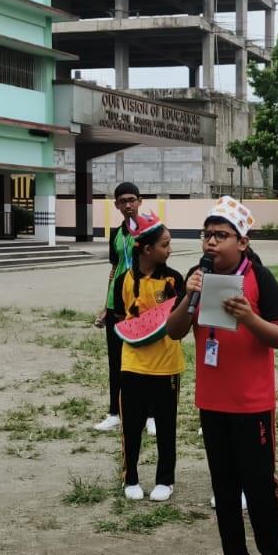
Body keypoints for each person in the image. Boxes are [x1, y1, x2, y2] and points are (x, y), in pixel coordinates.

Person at [164, 196, 278, 555]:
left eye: (221, 235)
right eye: (207, 235)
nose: (211, 243)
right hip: (212, 401)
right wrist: (188, 296)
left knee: (258, 486)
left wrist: (247, 316)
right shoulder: (195, 277)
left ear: (243, 243)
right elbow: (174, 331)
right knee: (224, 486)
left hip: (252, 404)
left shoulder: (261, 279)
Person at [112, 214, 184, 503]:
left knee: (167, 427)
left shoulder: (174, 279)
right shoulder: (124, 280)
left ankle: (165, 480)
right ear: (147, 249)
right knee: (131, 426)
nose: (170, 250)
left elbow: (177, 319)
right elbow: (121, 318)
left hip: (166, 365)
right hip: (132, 364)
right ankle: (130, 477)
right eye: (165, 245)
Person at [92, 182, 142, 433]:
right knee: (116, 360)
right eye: (123, 201)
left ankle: (150, 415)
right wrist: (106, 305)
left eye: (132, 200)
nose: (128, 205)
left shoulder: (150, 230)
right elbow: (114, 269)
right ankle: (115, 412)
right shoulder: (116, 234)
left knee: (145, 359)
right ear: (117, 205)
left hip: (142, 303)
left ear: (140, 202)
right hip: (116, 304)